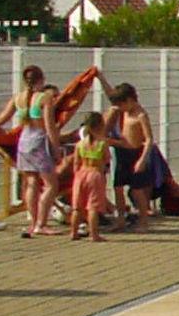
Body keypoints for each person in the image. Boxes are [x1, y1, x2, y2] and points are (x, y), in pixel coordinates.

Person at [0, 63, 64, 237]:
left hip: (24, 142)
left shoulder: (18, 98)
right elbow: (50, 127)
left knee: (31, 183)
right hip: (39, 142)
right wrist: (56, 149)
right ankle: (41, 224)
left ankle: (33, 222)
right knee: (51, 185)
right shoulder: (45, 98)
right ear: (41, 79)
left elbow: (1, 119)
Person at [98, 77, 169, 227]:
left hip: (135, 154)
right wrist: (101, 77)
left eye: (122, 104)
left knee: (137, 190)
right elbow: (112, 95)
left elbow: (149, 139)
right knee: (117, 187)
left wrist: (142, 160)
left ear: (129, 100)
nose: (119, 108)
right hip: (121, 152)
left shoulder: (140, 115)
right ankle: (121, 219)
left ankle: (143, 221)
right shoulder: (123, 111)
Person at [68, 110, 112, 242]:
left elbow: (76, 162)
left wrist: (76, 175)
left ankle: (73, 232)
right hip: (95, 174)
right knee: (92, 207)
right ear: (100, 126)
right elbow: (107, 159)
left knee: (77, 206)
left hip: (81, 174)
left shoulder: (80, 144)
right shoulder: (102, 143)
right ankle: (94, 234)